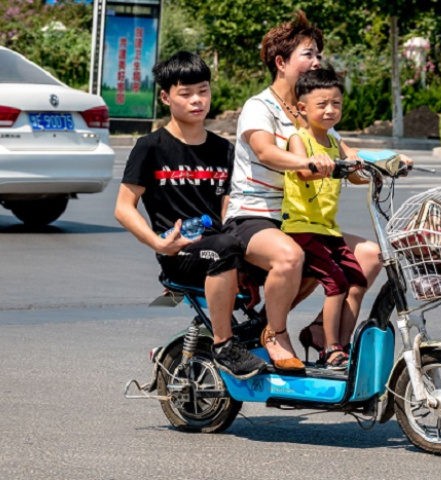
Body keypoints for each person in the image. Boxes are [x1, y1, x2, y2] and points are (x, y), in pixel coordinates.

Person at [223, 11, 382, 370]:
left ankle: (324, 335)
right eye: (308, 54)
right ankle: (273, 331)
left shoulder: (312, 108)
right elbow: (265, 151)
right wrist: (305, 164)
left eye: (318, 55)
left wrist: (380, 164)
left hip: (302, 219)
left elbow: (348, 158)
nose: (316, 61)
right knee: (290, 256)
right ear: (281, 62)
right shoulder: (258, 107)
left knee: (370, 255)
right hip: (255, 216)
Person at [114, 51, 266, 379]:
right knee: (225, 247)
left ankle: (265, 329)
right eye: (186, 93)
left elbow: (229, 208)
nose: (197, 100)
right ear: (166, 97)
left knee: (298, 254)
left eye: (204, 90)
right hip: (181, 251)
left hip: (223, 243)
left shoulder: (224, 149)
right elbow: (123, 208)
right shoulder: (150, 147)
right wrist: (159, 242)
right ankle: (224, 345)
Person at [282, 67, 368, 369]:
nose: (331, 110)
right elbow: (303, 170)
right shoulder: (299, 139)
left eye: (337, 104)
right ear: (303, 108)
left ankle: (343, 346)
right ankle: (329, 348)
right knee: (335, 282)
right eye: (322, 105)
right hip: (301, 228)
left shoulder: (334, 141)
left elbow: (357, 168)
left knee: (356, 282)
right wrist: (316, 162)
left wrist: (386, 163)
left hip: (328, 230)